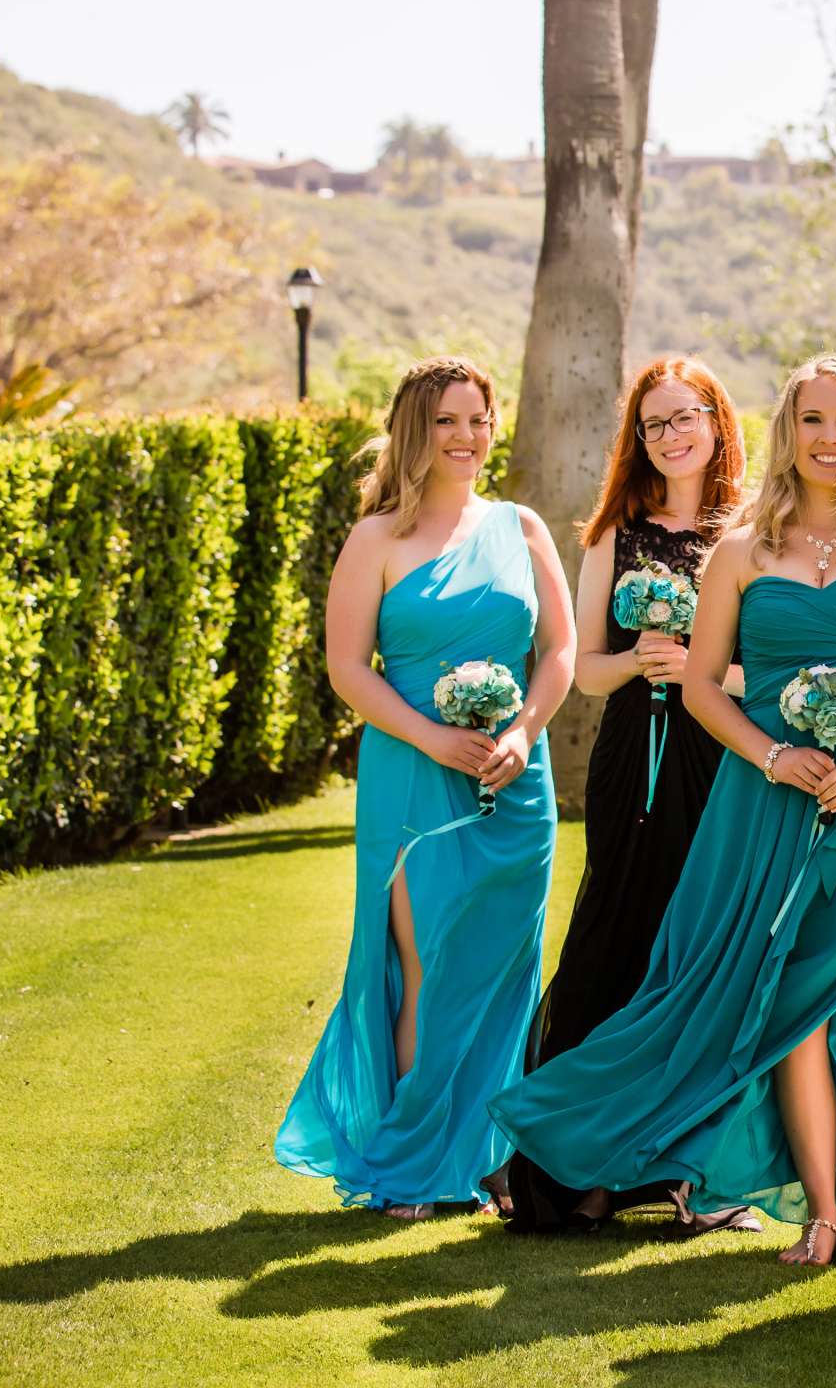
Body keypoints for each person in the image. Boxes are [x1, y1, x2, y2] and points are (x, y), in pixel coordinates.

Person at [489, 354, 836, 1271]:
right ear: (785, 429)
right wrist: (774, 754)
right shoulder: (742, 551)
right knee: (792, 1007)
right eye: (812, 419)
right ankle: (817, 1213)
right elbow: (701, 689)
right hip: (767, 804)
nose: (830, 439)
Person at [278, 355, 573, 1219]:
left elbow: (556, 653)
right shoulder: (375, 539)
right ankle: (411, 1161)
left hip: (516, 783)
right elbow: (345, 668)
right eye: (447, 420)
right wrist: (435, 738)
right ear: (415, 430)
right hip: (414, 774)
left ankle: (483, 1159)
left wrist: (520, 733)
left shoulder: (522, 528)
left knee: (502, 970)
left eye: (478, 419)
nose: (467, 436)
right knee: (426, 961)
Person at [503, 356, 759, 1236]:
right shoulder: (616, 532)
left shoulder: (754, 533)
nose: (672, 434)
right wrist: (641, 661)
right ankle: (571, 1170)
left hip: (721, 753)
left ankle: (690, 1174)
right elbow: (584, 670)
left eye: (687, 416)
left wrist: (706, 670)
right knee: (618, 936)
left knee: (704, 948)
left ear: (718, 422)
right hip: (634, 760)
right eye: (655, 424)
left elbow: (758, 667)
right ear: (637, 438)